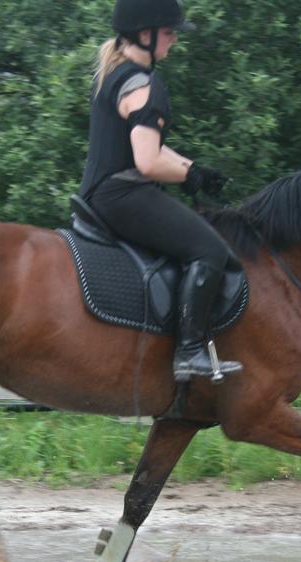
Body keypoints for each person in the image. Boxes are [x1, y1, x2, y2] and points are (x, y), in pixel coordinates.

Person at [79, 0, 243, 382]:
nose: (174, 40)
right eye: (169, 33)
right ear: (145, 34)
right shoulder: (145, 84)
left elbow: (146, 145)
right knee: (210, 249)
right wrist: (186, 177)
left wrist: (192, 169)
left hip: (100, 194)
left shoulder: (116, 74)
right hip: (124, 197)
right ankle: (189, 352)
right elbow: (148, 162)